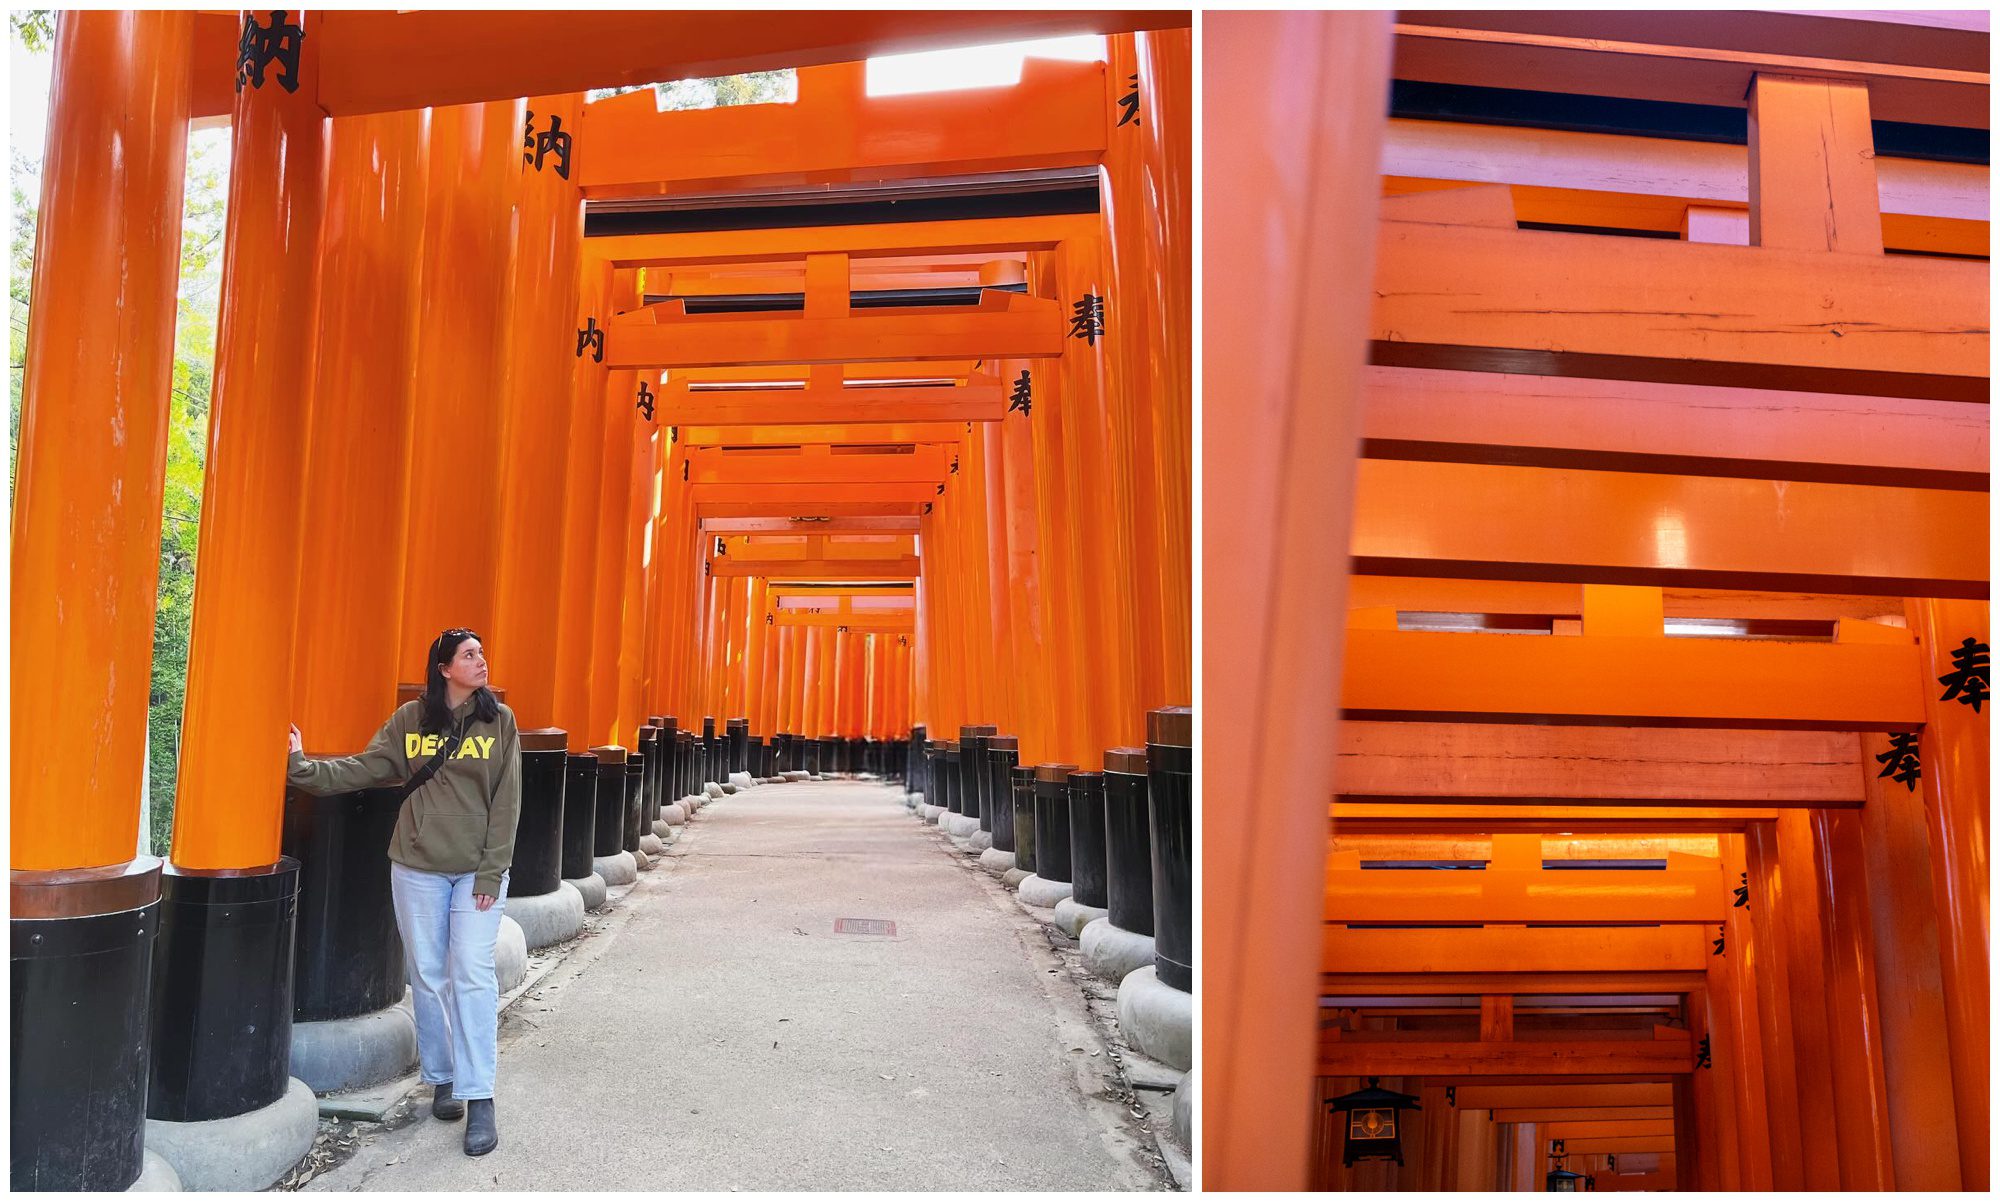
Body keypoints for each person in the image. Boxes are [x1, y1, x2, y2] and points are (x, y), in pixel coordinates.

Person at [288, 628, 521, 1157]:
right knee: (429, 974)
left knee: (471, 973)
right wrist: (301, 766)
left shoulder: (498, 722)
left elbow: (507, 804)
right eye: (469, 655)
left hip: (476, 872)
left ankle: (479, 1094)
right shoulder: (410, 722)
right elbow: (365, 768)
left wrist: (491, 873)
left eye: (482, 653)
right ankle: (443, 1076)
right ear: (443, 667)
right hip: (416, 866)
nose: (481, 661)